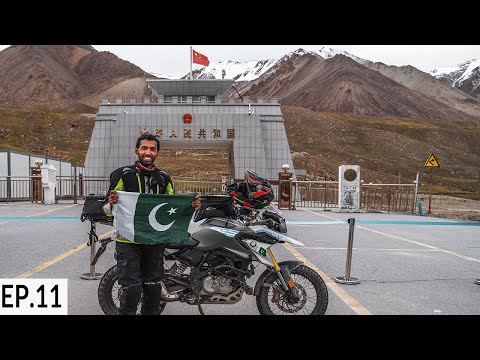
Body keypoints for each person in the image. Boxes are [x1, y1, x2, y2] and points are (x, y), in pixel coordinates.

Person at [103, 133, 200, 315]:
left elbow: (173, 207)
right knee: (131, 291)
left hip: (155, 242)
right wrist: (112, 202)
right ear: (136, 151)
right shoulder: (122, 175)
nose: (148, 152)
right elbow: (106, 209)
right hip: (128, 241)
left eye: (152, 149)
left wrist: (191, 206)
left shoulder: (164, 178)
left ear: (157, 153)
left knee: (153, 289)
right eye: (144, 148)